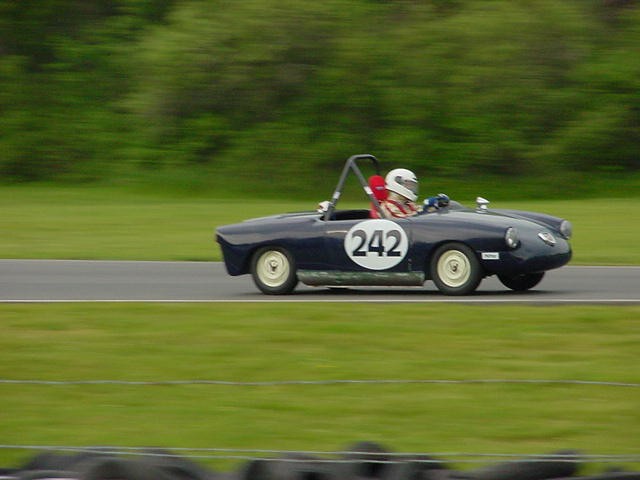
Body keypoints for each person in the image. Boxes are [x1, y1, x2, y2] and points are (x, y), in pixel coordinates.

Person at [379, 168, 449, 219]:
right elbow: (404, 222)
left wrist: (435, 205)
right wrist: (425, 209)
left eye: (412, 185)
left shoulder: (408, 204)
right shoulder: (387, 207)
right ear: (397, 183)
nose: (411, 188)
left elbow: (420, 211)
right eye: (408, 185)